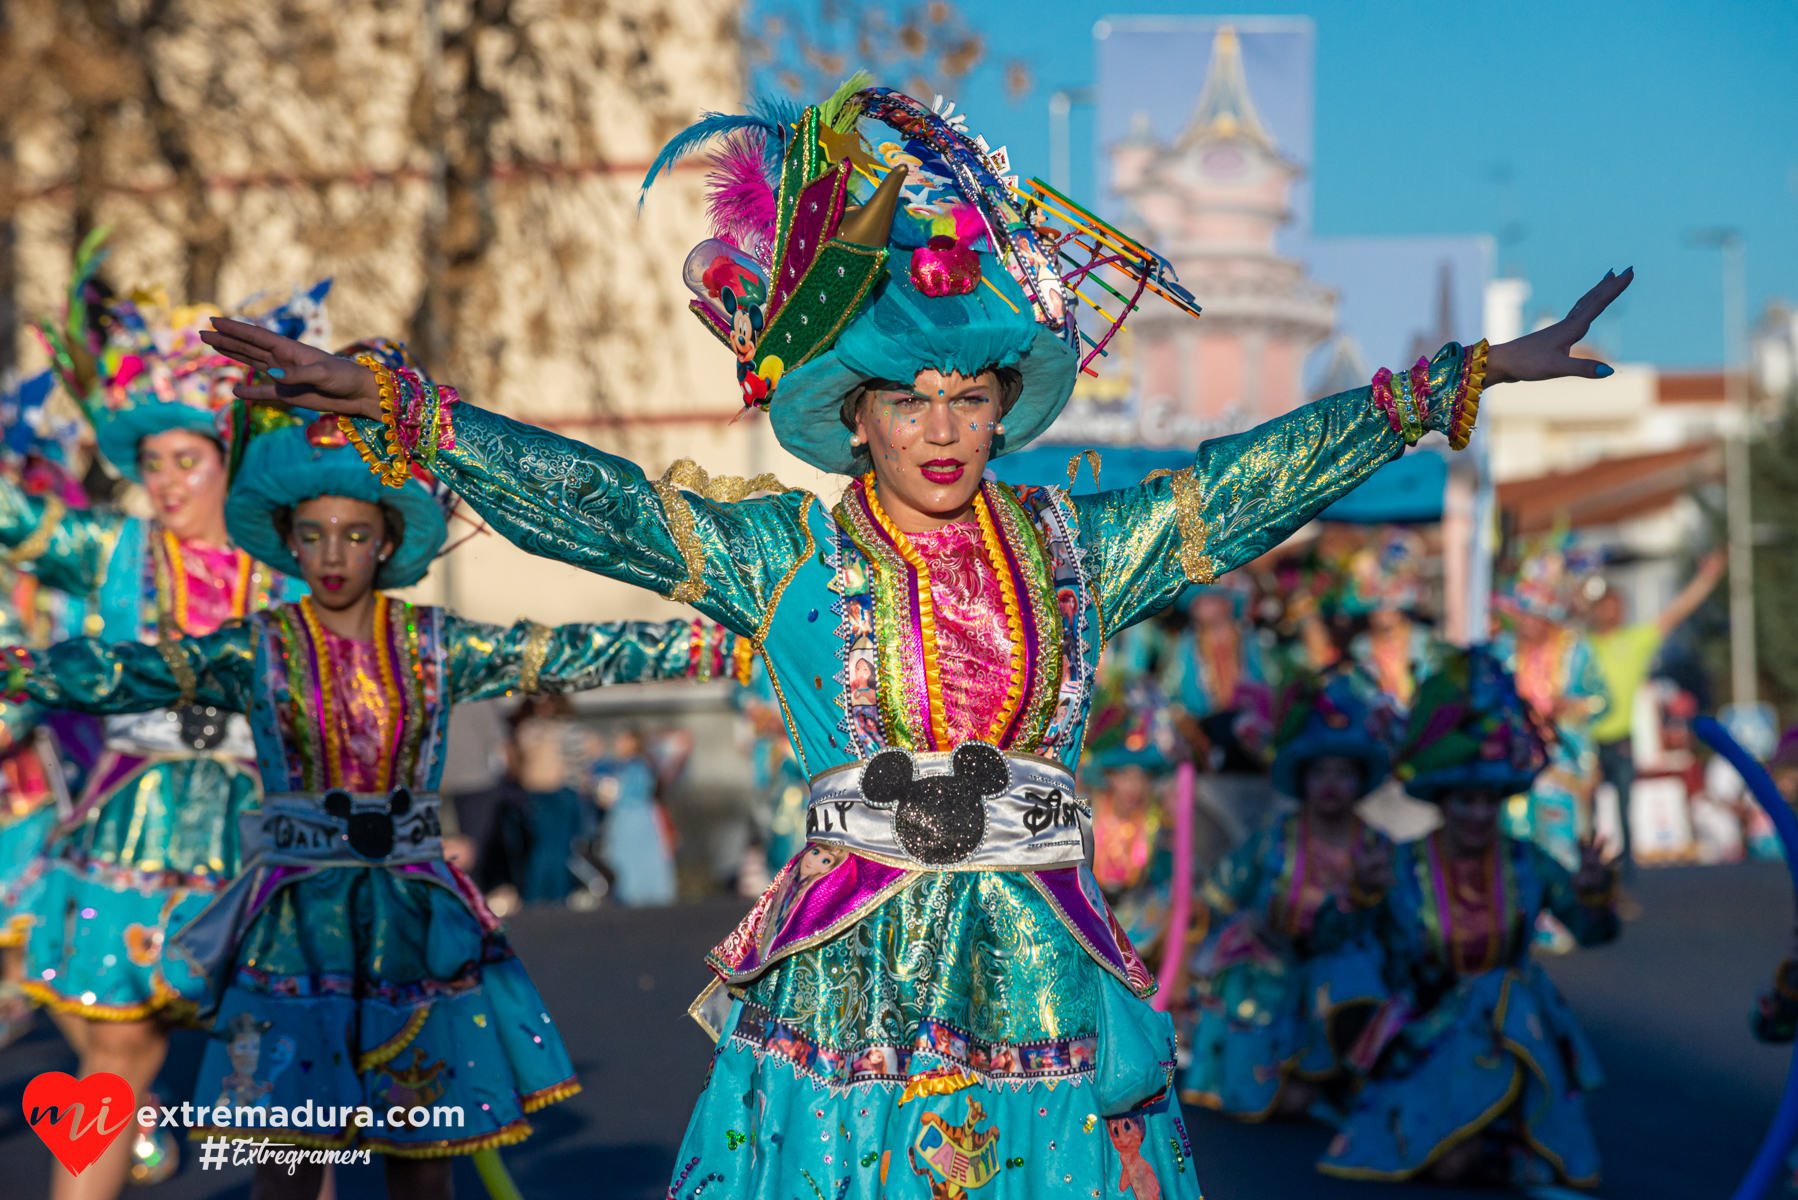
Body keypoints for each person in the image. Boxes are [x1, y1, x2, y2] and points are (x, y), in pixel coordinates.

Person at [199, 77, 1630, 1200]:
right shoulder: (786, 554)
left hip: (1043, 967)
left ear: (1004, 406)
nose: (939, 428)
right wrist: (406, 411)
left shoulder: (1079, 550)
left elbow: (1248, 482)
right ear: (856, 415)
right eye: (908, 400)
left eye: (965, 395)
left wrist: (1457, 379)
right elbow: (602, 508)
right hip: (848, 974)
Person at [0, 417, 739, 1199]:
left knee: (421, 1162)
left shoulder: (433, 644)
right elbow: (132, 671)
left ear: (385, 543)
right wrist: (23, 671)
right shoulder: (259, 648)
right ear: (288, 542)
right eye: (311, 535)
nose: (331, 554)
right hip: (297, 929)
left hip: (412, 925)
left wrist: (723, 643)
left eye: (354, 534)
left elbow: (567, 653)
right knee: (289, 1162)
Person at [0, 245, 324, 1200]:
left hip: (268, 832)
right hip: (136, 822)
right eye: (152, 464)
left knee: (283, 1090)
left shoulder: (293, 559)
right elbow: (19, 521)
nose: (168, 482)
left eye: (187, 460)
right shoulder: (114, 547)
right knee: (118, 1052)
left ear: (230, 458)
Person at [1318, 647, 1619, 1188]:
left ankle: (1522, 1139)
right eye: (1464, 802)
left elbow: (1592, 934)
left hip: (1515, 1035)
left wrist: (1595, 898)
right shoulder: (1403, 866)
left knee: (1508, 989)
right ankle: (1506, 1144)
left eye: (1489, 801)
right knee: (1452, 1163)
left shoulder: (1528, 862)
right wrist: (1360, 895)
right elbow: (1337, 944)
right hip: (1428, 1039)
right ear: (1441, 800)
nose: (1478, 815)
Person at [1180, 668, 1397, 1122]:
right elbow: (1217, 894)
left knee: (1352, 973)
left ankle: (1342, 1081)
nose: (1331, 784)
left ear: (1361, 780)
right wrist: (1184, 962)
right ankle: (1273, 1080)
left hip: (1340, 982)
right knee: (1241, 955)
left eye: (1344, 772)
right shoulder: (1274, 839)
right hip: (1273, 972)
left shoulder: (1377, 847)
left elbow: (1402, 928)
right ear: (1302, 779)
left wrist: (1374, 895)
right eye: (1320, 772)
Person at [1587, 549, 1726, 879]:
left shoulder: (1634, 641)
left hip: (1620, 737)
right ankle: (1588, 869)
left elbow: (1674, 613)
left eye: (1618, 605)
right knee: (1586, 810)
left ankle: (1630, 873)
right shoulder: (1581, 646)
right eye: (1607, 606)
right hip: (1586, 740)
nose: (1614, 611)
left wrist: (1706, 579)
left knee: (1625, 807)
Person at [1493, 535, 1611, 874]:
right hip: (1515, 761)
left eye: (1537, 613)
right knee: (1515, 845)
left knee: (1564, 849)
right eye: (1524, 613)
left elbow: (1603, 701)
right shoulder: (1502, 651)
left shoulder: (1577, 652)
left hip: (1566, 761)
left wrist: (1573, 706)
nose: (1528, 621)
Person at [593, 723, 691, 906]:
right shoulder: (621, 766)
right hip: (624, 821)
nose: (617, 745)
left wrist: (608, 792)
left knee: (637, 859)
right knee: (622, 859)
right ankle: (628, 894)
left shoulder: (639, 766)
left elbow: (632, 792)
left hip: (636, 822)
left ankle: (639, 894)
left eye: (622, 740)